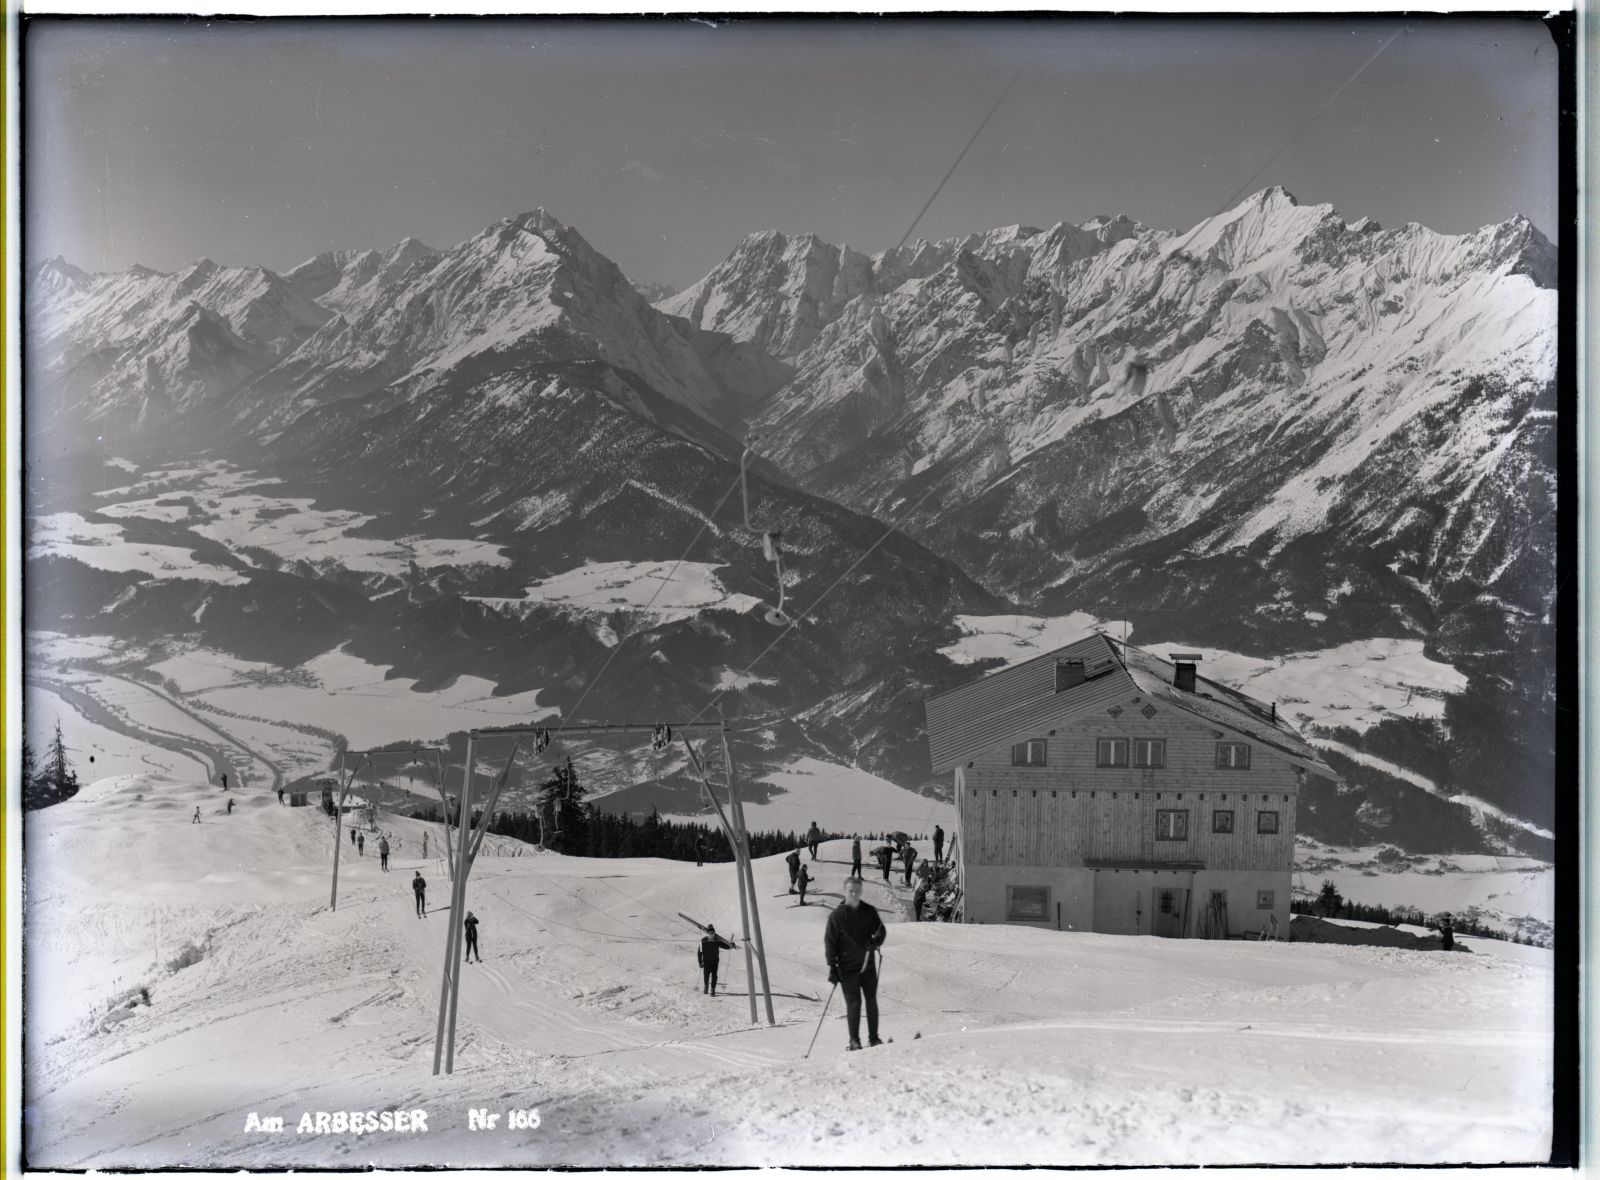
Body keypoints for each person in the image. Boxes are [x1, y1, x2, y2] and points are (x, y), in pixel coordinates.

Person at [824, 876, 887, 1050]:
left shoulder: (869, 911)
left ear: (861, 892)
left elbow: (880, 930)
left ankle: (873, 1038)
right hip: (847, 968)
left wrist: (877, 941)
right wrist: (832, 967)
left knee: (871, 1000)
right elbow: (830, 942)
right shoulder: (837, 916)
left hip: (868, 965)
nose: (854, 893)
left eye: (857, 890)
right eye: (851, 890)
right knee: (854, 1004)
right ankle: (854, 1041)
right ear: (845, 891)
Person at [698, 924, 732, 995]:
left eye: (712, 933)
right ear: (707, 933)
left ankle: (713, 989)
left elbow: (724, 946)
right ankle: (706, 987)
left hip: (715, 962)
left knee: (714, 976)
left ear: (714, 933)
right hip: (706, 962)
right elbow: (699, 952)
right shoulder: (703, 941)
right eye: (709, 933)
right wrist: (700, 962)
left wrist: (730, 945)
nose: (711, 935)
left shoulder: (717, 940)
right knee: (706, 975)